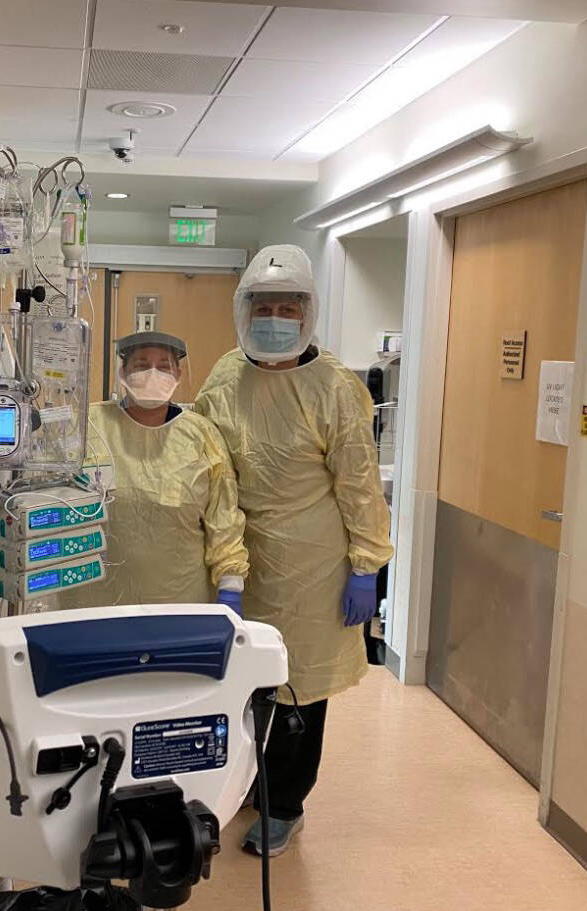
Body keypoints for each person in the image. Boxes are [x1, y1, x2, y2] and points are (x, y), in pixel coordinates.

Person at [194, 245, 394, 856]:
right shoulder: (228, 372)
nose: (274, 317)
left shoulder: (333, 387)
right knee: (243, 685)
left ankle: (286, 804)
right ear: (243, 310)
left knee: (299, 689)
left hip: (313, 565)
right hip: (238, 558)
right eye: (263, 306)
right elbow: (197, 449)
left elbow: (359, 484)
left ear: (307, 314)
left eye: (287, 307)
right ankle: (248, 784)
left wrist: (367, 567)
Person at [59, 330, 248, 611]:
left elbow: (223, 517)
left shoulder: (201, 436)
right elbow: (51, 500)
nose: (152, 374)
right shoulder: (89, 426)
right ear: (123, 372)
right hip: (93, 600)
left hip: (179, 602)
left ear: (178, 375)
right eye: (141, 365)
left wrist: (230, 586)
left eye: (163, 366)